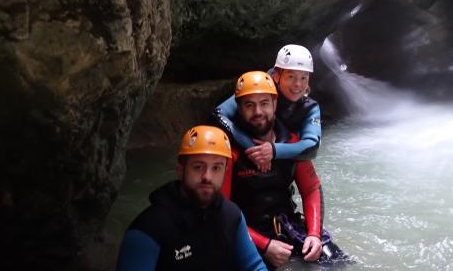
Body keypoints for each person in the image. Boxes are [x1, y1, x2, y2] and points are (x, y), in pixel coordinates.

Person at [221, 71, 346, 269]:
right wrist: (265, 245)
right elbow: (221, 210)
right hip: (248, 230)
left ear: (275, 105)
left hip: (287, 223)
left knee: (337, 262)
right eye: (249, 105)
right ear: (239, 109)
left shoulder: (292, 142)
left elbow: (311, 188)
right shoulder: (230, 151)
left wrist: (313, 234)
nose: (258, 112)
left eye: (264, 103)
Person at [116, 126, 266, 271]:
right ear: (180, 170)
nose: (207, 176)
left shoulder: (232, 216)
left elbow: (254, 266)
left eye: (216, 168)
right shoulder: (148, 229)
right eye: (198, 167)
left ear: (225, 172)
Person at [211, 44, 321, 172]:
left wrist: (273, 151)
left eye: (303, 78)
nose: (298, 84)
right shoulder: (260, 87)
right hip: (246, 154)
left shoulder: (309, 108)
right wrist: (255, 149)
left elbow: (312, 146)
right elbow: (217, 116)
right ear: (276, 75)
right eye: (291, 77)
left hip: (279, 159)